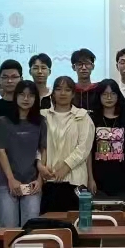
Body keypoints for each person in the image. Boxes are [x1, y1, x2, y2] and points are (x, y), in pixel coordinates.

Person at [0, 80, 47, 228]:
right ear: (15, 96)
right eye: (22, 94)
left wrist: (40, 180)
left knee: (30, 229)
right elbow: (1, 150)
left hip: (32, 183)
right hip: (6, 183)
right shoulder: (3, 121)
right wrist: (11, 179)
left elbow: (43, 150)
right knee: (9, 229)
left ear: (36, 98)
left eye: (30, 95)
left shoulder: (40, 122)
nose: (26, 99)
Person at [39, 76, 94, 213]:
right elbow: (37, 145)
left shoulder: (83, 116)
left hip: (75, 181)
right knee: (49, 223)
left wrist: (66, 167)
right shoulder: (43, 116)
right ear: (53, 93)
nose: (62, 93)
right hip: (49, 179)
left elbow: (84, 148)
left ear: (73, 94)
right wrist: (40, 166)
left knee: (75, 223)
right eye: (58, 89)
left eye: (67, 90)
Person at [89, 79, 125, 199]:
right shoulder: (92, 119)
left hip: (122, 177)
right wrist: (90, 178)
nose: (109, 98)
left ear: (118, 95)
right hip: (98, 178)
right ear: (99, 96)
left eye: (113, 93)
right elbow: (88, 152)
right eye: (104, 94)